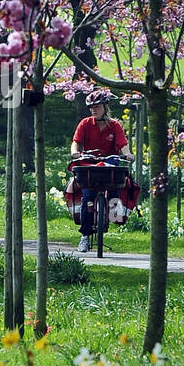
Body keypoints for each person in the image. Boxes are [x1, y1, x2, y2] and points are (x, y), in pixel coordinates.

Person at [70, 90, 131, 252]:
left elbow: (122, 145)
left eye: (97, 107)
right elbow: (76, 142)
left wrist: (127, 154)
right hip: (90, 165)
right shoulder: (85, 124)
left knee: (114, 189)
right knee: (87, 197)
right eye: (91, 107)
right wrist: (75, 152)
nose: (94, 110)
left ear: (105, 107)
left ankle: (113, 213)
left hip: (109, 164)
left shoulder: (115, 125)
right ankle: (84, 236)